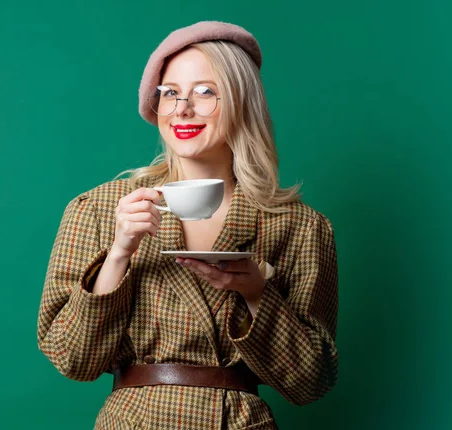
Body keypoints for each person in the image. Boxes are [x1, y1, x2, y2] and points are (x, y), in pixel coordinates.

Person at [37, 21, 338, 430]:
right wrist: (119, 253)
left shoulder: (299, 227)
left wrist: (255, 293)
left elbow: (311, 383)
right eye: (170, 93)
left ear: (241, 102)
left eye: (205, 92)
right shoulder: (98, 209)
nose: (182, 109)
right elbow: (71, 358)